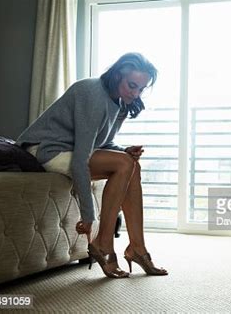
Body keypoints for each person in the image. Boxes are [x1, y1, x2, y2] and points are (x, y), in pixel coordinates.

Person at [16, 52, 168, 278]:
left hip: (72, 148)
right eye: (132, 85)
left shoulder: (119, 101)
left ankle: (137, 247)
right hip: (46, 149)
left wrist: (121, 151)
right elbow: (81, 160)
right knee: (126, 164)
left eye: (141, 89)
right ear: (118, 76)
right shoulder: (92, 93)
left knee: (132, 165)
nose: (135, 93)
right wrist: (89, 215)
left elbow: (101, 141)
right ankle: (103, 245)